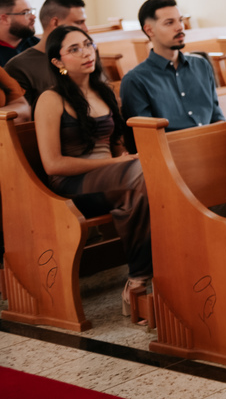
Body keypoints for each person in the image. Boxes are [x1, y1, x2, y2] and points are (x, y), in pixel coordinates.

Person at [34, 25, 151, 321]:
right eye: (74, 49)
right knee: (138, 177)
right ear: (57, 61)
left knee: (153, 173)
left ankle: (170, 271)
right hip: (71, 185)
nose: (86, 52)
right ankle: (139, 280)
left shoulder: (103, 90)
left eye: (88, 44)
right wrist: (115, 164)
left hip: (112, 179)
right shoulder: (50, 99)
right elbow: (53, 164)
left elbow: (116, 146)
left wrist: (121, 160)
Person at [119, 0, 224, 130]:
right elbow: (146, 135)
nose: (180, 27)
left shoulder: (201, 65)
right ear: (149, 30)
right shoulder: (135, 80)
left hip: (211, 140)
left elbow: (217, 117)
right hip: (171, 143)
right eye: (169, 23)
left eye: (180, 20)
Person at [6, 0, 88, 110]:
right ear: (55, 23)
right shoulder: (19, 66)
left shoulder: (87, 55)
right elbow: (25, 116)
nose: (85, 29)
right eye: (79, 22)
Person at [0, 0, 38, 67]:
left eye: (31, 11)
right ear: (4, 19)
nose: (33, 17)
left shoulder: (38, 45)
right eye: (25, 13)